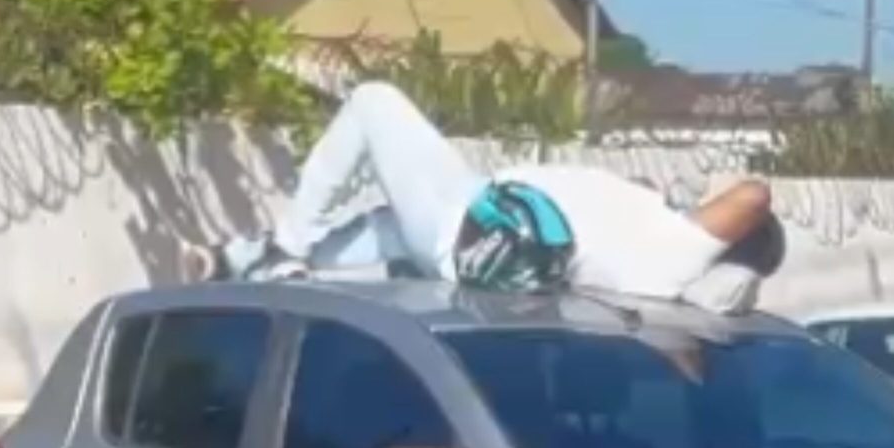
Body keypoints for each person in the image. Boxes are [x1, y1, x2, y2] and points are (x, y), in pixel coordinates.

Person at [179, 81, 785, 314]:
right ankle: (252, 257)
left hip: (465, 226)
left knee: (373, 102)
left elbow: (754, 195)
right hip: (474, 215)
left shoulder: (675, 254)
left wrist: (729, 258)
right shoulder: (661, 259)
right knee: (386, 223)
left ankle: (284, 246)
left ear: (729, 239)